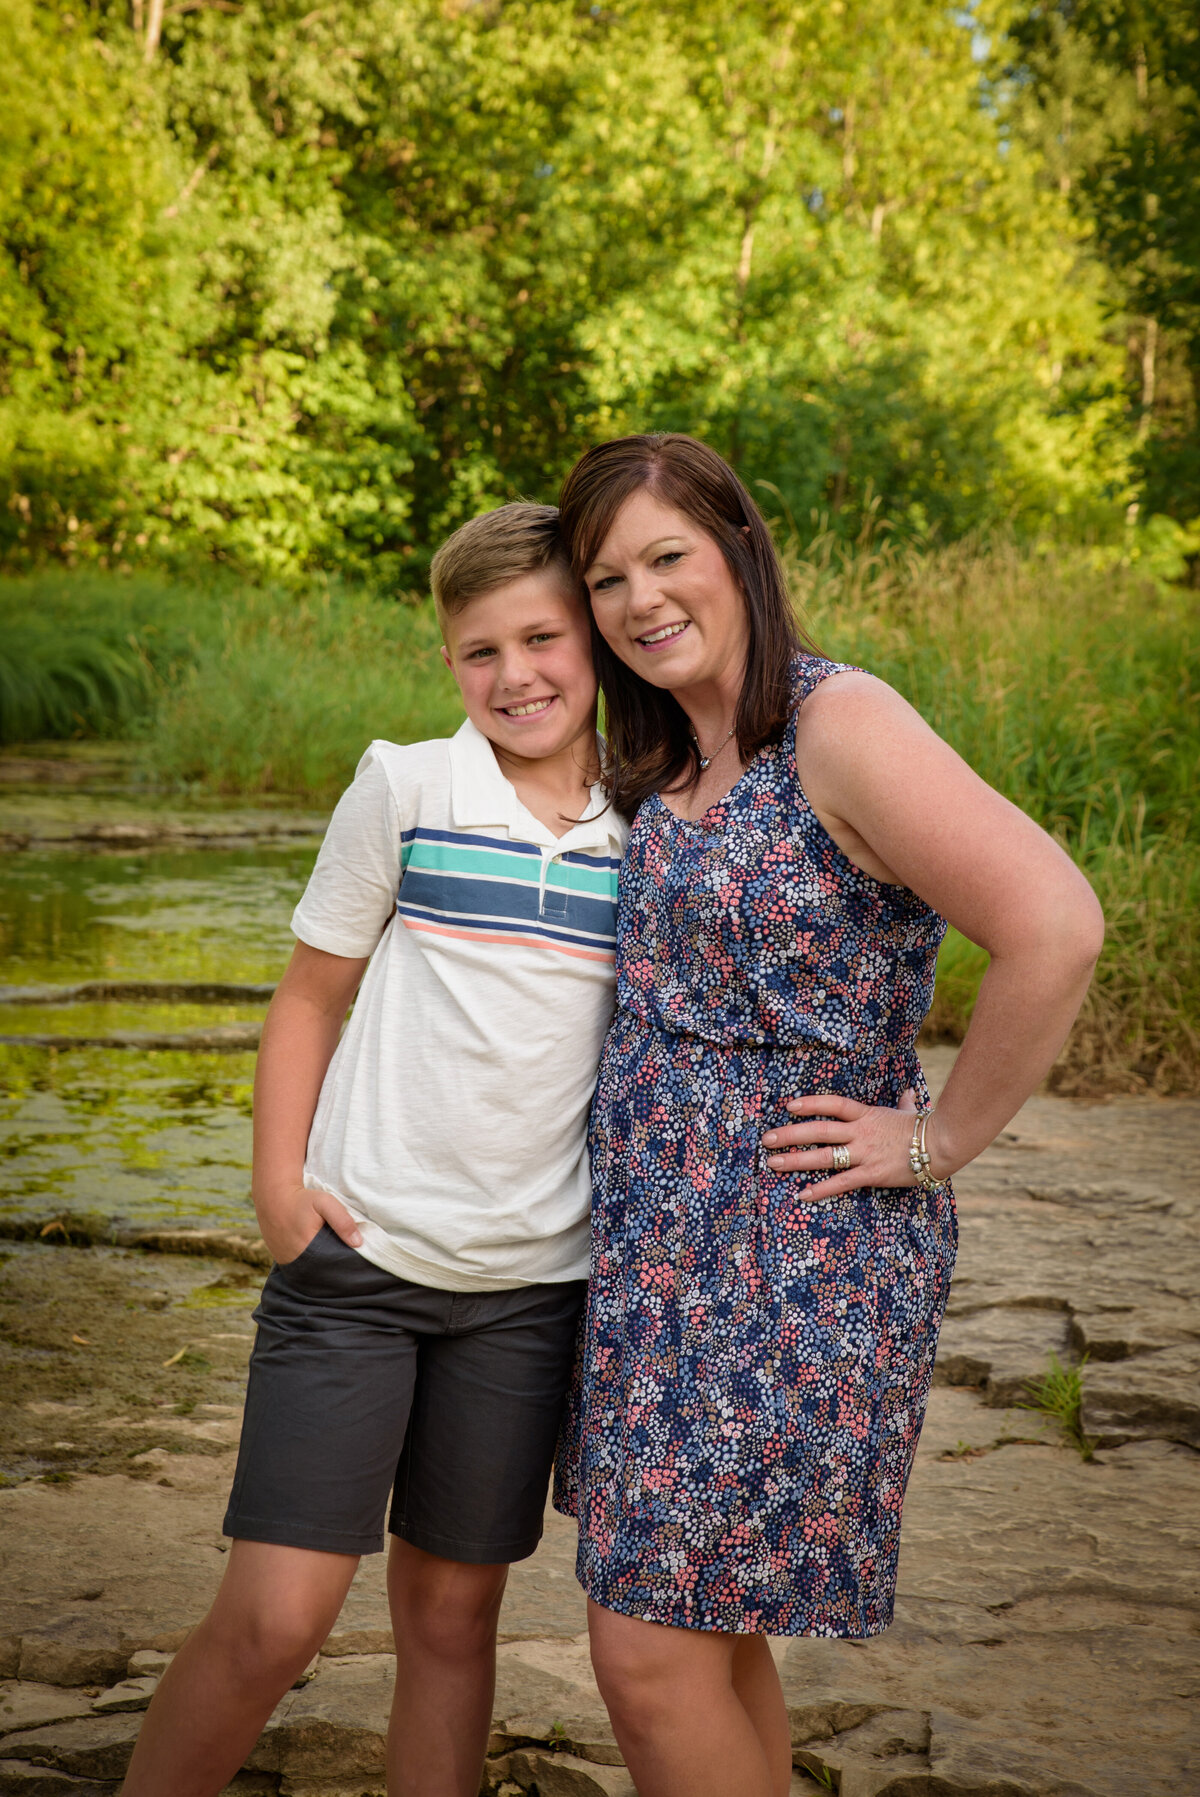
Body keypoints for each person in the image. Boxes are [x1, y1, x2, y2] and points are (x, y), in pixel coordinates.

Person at [551, 433, 1104, 1797]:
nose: (640, 598)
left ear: (739, 545)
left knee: (643, 1649)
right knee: (710, 1631)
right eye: (606, 575)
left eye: (667, 555)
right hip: (657, 1264)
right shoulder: (667, 749)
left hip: (798, 1259)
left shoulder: (836, 724)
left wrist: (935, 1139)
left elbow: (1056, 923)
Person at [121, 504, 628, 1797]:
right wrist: (278, 1191)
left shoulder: (648, 830)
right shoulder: (405, 784)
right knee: (277, 1620)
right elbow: (309, 995)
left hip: (526, 1293)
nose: (515, 674)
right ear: (447, 661)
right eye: (478, 650)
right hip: (357, 1270)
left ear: (595, 638)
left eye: (542, 637)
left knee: (454, 1621)